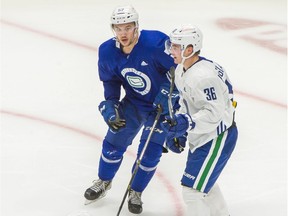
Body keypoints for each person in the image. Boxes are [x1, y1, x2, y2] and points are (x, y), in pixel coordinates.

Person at [84, 5, 179, 214]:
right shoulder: (107, 51)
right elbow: (110, 80)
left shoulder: (155, 43)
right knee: (113, 140)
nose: (123, 33)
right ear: (113, 29)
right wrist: (111, 104)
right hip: (135, 102)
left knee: (150, 153)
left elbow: (179, 68)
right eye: (118, 28)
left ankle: (136, 192)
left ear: (136, 27)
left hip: (161, 108)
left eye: (127, 27)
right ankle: (103, 181)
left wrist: (170, 92)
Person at [161, 24, 238, 216]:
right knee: (204, 185)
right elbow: (185, 102)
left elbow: (214, 114)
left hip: (217, 135)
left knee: (193, 191)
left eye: (176, 47)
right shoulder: (182, 70)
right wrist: (178, 127)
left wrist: (186, 123)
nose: (171, 50)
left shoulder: (203, 77)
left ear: (190, 49)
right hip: (203, 135)